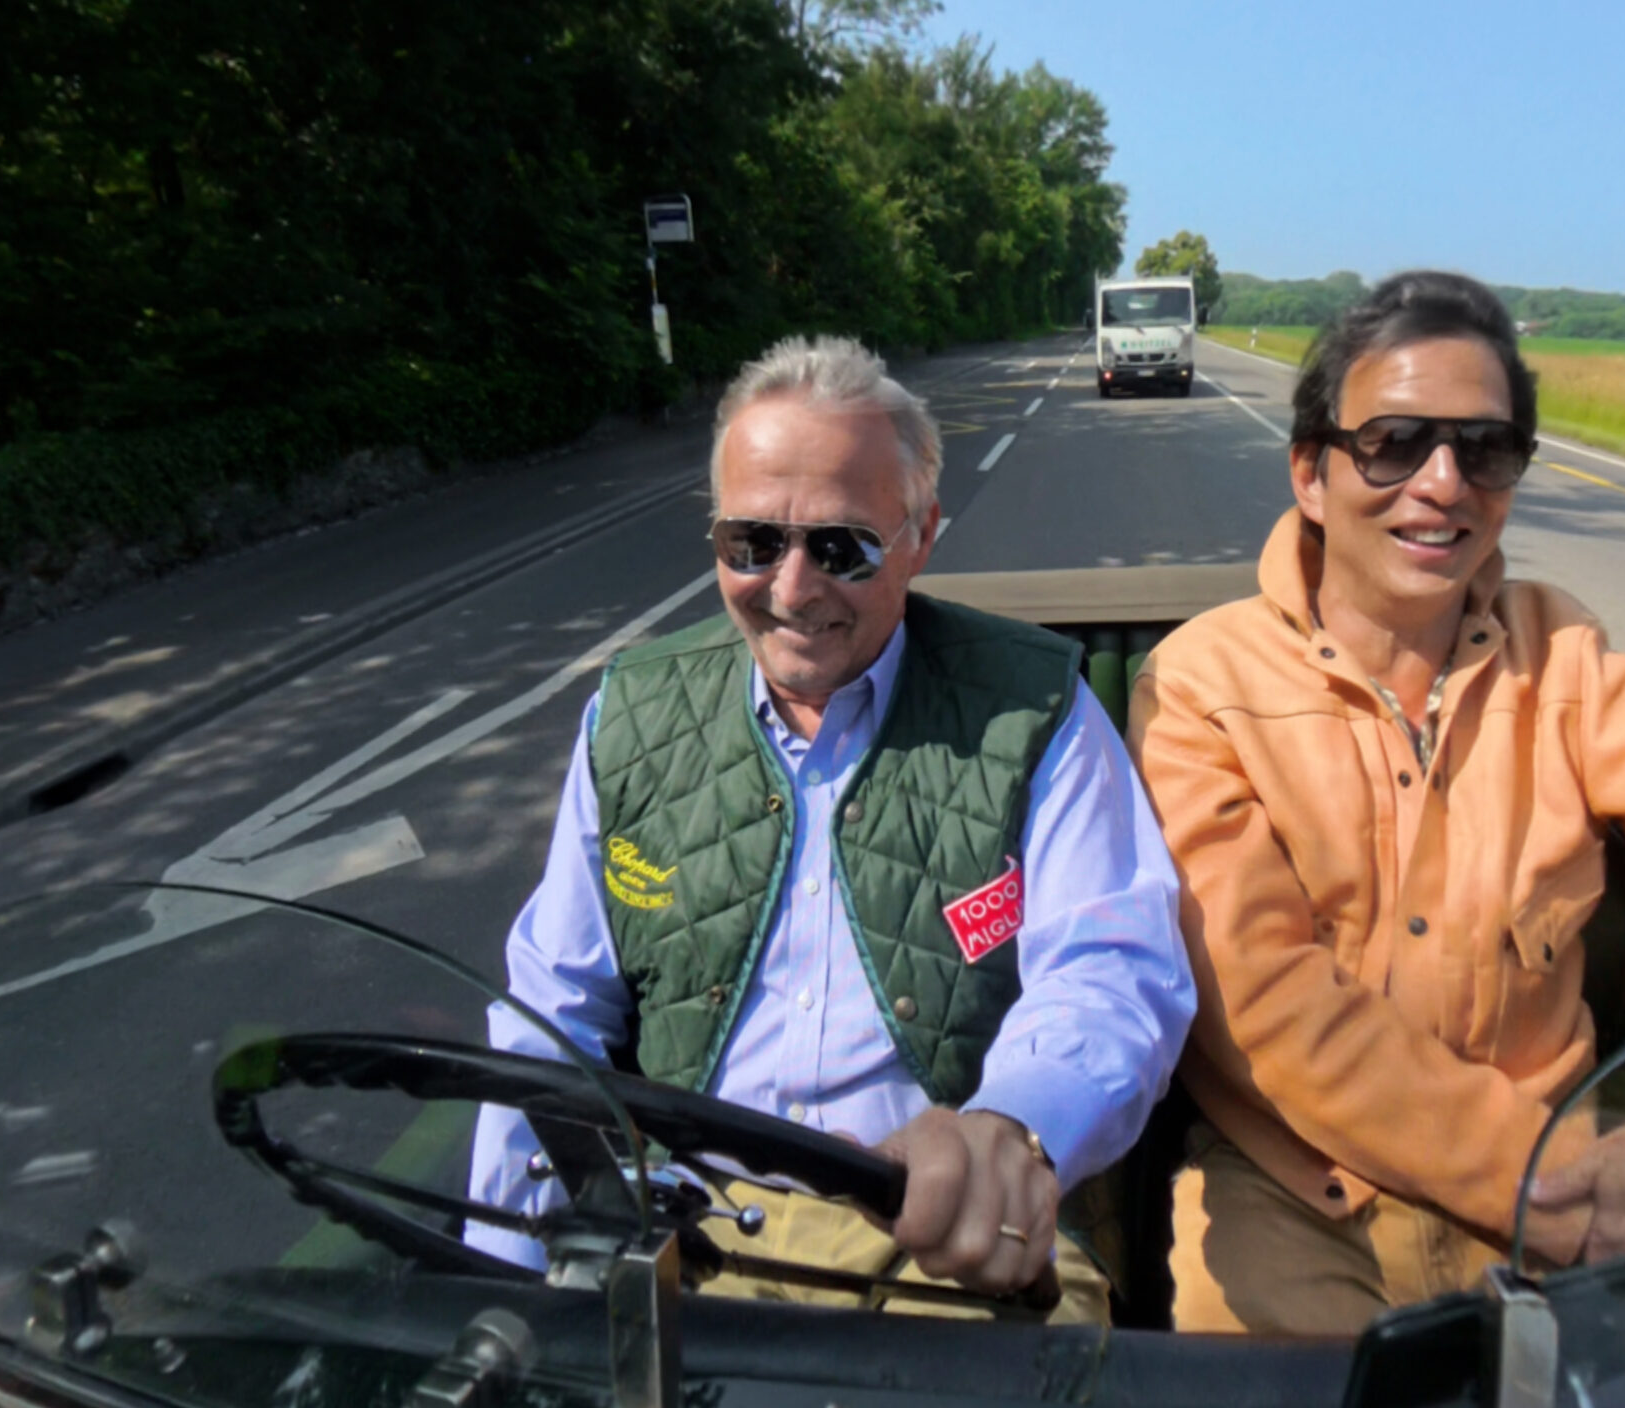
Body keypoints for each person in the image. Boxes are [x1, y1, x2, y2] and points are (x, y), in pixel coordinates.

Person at [1127, 271, 1625, 1335]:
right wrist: (1555, 1185)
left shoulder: (1566, 669)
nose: (1442, 483)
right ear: (1312, 474)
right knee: (1269, 1397)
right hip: (1306, 1196)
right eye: (1393, 443)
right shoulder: (1202, 687)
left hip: (1583, 1199)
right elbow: (1268, 1007)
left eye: (1486, 449)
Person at [466, 335, 1194, 1325]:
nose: (792, 588)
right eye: (751, 544)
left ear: (922, 537)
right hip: (682, 1216)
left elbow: (1110, 974)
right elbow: (552, 1013)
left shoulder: (1034, 713)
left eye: (842, 547)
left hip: (938, 1234)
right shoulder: (630, 716)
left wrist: (1007, 1134)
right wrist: (498, 1282)